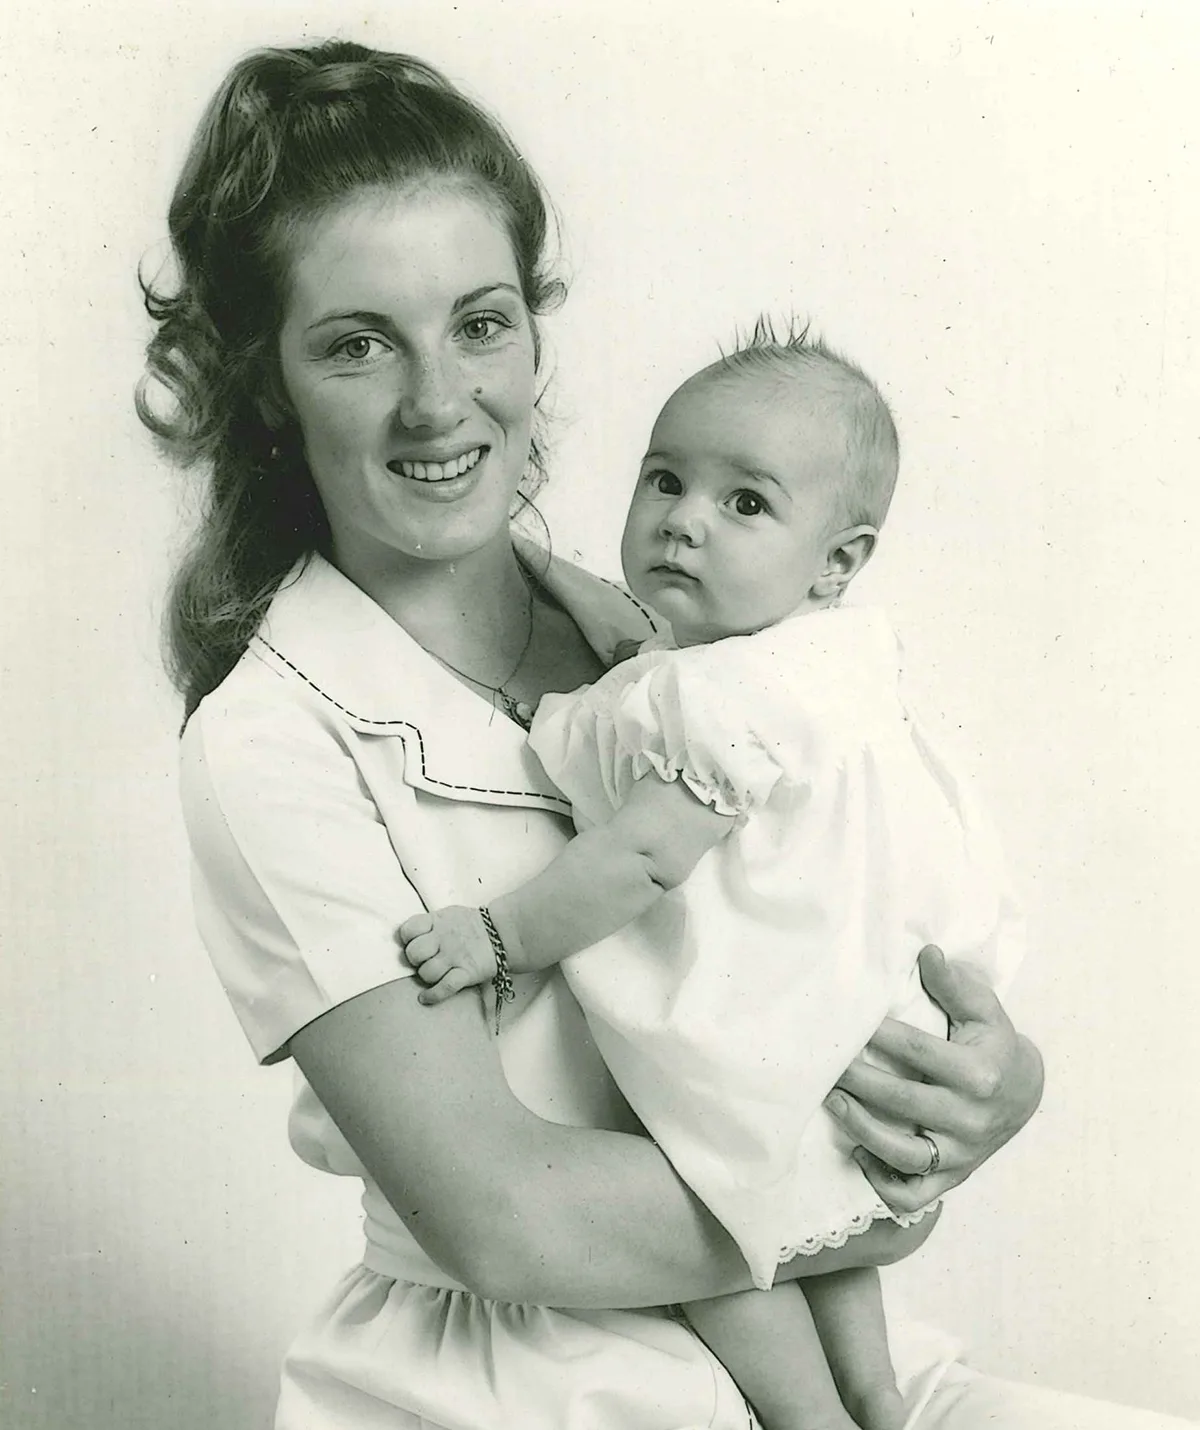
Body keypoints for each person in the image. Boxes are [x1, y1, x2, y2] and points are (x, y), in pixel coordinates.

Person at [140, 38, 1195, 1430]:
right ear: (269, 385)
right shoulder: (271, 742)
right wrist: (879, 1182)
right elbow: (512, 1219)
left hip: (820, 1352)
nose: (440, 401)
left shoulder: (670, 638)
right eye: (355, 344)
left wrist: (996, 1084)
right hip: (516, 1378)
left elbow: (849, 928)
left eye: (482, 321)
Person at [397, 330, 1023, 1430]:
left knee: (721, 1210)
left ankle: (807, 1414)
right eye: (666, 479)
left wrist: (497, 936)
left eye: (747, 504)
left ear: (836, 560)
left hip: (765, 1001)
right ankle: (872, 1392)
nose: (686, 518)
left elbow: (642, 855)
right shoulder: (830, 656)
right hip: (854, 994)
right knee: (812, 1218)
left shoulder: (717, 700)